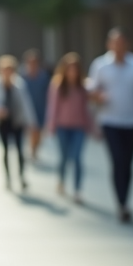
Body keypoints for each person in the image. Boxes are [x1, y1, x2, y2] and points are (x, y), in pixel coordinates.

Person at [87, 30, 133, 223]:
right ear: (109, 45)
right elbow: (91, 91)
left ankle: (126, 197)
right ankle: (121, 202)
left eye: (121, 43)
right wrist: (97, 97)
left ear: (128, 44)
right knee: (118, 161)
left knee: (128, 163)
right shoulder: (100, 65)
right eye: (115, 43)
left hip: (132, 121)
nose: (118, 47)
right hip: (110, 121)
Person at [0, 55, 36, 191]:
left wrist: (31, 122)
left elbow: (26, 104)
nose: (7, 73)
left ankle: (21, 177)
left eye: (10, 70)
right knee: (6, 150)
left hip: (17, 121)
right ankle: (8, 178)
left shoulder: (19, 84)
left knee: (20, 150)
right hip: (2, 122)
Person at [47, 52, 93, 203]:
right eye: (69, 69)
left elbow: (87, 108)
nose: (72, 72)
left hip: (79, 127)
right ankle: (61, 180)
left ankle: (77, 190)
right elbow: (53, 108)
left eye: (75, 69)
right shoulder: (58, 85)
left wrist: (91, 127)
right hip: (63, 127)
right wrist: (51, 125)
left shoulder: (83, 86)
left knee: (78, 158)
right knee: (64, 158)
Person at [22, 49, 50, 161]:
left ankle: (35, 149)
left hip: (41, 108)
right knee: (31, 130)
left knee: (39, 132)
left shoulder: (43, 76)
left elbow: (47, 93)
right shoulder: (22, 76)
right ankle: (32, 149)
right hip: (27, 109)